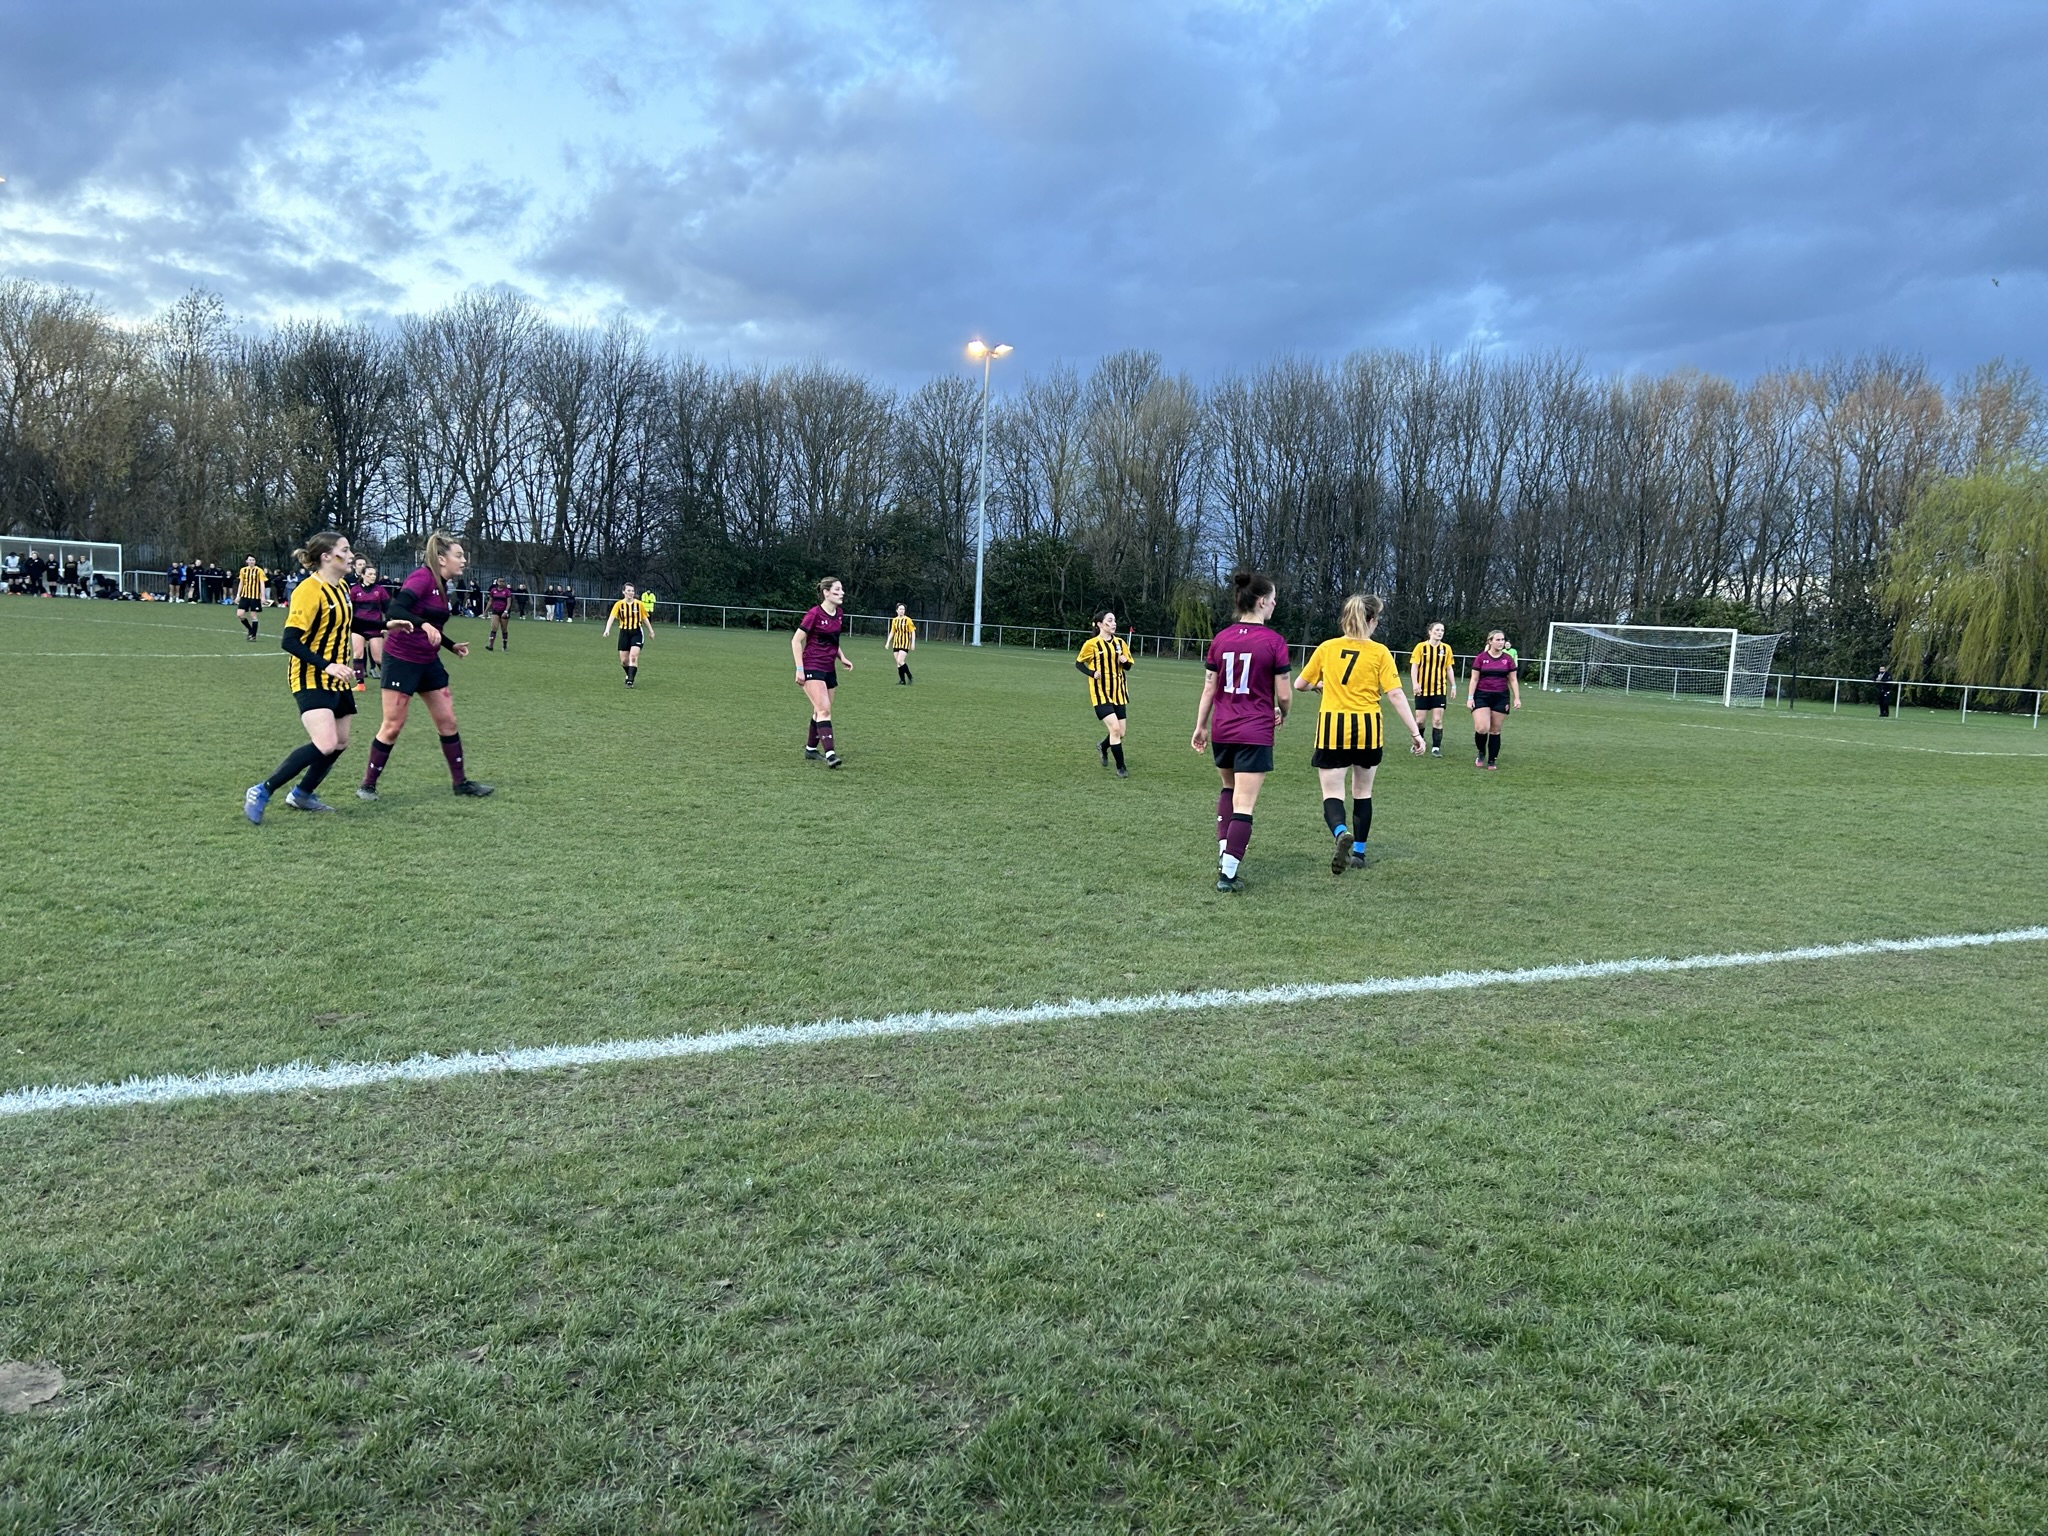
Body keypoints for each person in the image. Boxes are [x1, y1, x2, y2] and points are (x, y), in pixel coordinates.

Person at [357, 530, 493, 801]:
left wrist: (450, 644)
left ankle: (460, 783)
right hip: (401, 661)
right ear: (441, 559)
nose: (464, 560)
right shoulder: (422, 577)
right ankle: (367, 785)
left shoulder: (443, 586)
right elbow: (395, 611)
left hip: (428, 661)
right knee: (393, 725)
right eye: (459, 555)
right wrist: (424, 624)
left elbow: (430, 625)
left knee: (448, 722)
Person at [1297, 594, 1426, 874]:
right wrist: (1415, 732)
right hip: (1368, 728)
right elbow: (1395, 694)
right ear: (1372, 621)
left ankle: (1341, 832)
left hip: (1333, 726)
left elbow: (1299, 684)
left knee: (1332, 792)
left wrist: (1320, 685)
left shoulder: (1328, 648)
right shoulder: (1380, 652)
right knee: (1363, 793)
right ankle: (1359, 853)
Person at [243, 532, 359, 823]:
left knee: (341, 742)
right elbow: (290, 641)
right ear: (327, 557)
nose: (351, 555)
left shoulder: (342, 587)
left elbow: (346, 625)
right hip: (311, 675)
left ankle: (302, 794)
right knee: (325, 742)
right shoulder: (309, 591)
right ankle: (261, 790)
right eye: (345, 550)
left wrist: (386, 624)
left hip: (338, 677)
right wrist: (327, 665)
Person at [1192, 572, 1292, 892]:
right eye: (1273, 599)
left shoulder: (1221, 638)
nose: (1275, 604)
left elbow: (1209, 688)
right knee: (1244, 804)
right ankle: (1228, 875)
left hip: (1223, 728)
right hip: (1255, 730)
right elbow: (1285, 693)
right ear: (1261, 602)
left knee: (1227, 789)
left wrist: (1200, 726)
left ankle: (1225, 855)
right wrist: (1283, 711)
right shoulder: (1274, 641)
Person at [793, 576, 853, 767]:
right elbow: (795, 641)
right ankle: (830, 754)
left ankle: (811, 749)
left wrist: (842, 657)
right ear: (826, 593)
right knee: (824, 709)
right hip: (812, 665)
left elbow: (833, 641)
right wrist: (800, 669)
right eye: (836, 590)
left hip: (829, 668)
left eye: (842, 590)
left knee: (820, 709)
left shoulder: (840, 613)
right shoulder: (814, 613)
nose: (841, 593)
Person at [1076, 610, 1134, 776]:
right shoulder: (1091, 644)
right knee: (1115, 729)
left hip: (1119, 693)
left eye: (1115, 620)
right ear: (1100, 624)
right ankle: (1121, 768)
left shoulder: (1121, 643)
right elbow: (1079, 664)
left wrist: (1125, 661)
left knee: (1121, 733)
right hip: (1100, 694)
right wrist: (1092, 673)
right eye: (1110, 620)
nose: (1114, 623)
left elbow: (1128, 666)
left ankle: (1102, 746)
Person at [1467, 629, 1521, 770]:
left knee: (1495, 730)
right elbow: (1474, 679)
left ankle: (1492, 760)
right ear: (1490, 641)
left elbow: (1513, 680)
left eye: (1502, 639)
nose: (1501, 642)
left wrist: (1517, 698)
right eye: (1497, 639)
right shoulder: (1481, 658)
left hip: (1500, 697)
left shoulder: (1508, 659)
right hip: (1482, 695)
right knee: (1482, 727)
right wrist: (1470, 697)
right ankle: (1481, 752)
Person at [1408, 620, 1455, 757]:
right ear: (1430, 632)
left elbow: (1449, 668)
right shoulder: (1420, 647)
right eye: (1437, 630)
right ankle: (1418, 743)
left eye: (1442, 630)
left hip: (1439, 690)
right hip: (1422, 690)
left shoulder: (1446, 649)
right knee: (1420, 720)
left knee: (1437, 720)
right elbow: (1414, 666)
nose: (1440, 633)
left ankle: (1436, 748)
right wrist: (1415, 683)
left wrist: (1454, 685)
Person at [349, 564, 390, 688]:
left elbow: (388, 609)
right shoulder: (355, 590)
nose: (373, 576)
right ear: (362, 575)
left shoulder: (380, 590)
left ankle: (389, 681)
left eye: (374, 574)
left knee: (378, 658)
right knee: (357, 654)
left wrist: (385, 625)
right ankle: (360, 684)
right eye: (370, 574)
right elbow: (350, 608)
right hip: (358, 626)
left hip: (375, 626)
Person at [602, 582, 649, 686]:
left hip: (636, 632)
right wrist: (607, 630)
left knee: (633, 656)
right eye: (628, 591)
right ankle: (629, 674)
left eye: (632, 591)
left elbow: (644, 618)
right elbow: (612, 617)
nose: (631, 593)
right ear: (624, 592)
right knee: (624, 661)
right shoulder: (619, 604)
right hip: (624, 633)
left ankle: (630, 681)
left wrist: (651, 630)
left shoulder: (639, 604)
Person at [235, 556, 267, 640]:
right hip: (245, 596)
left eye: (253, 560)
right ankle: (250, 629)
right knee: (239, 614)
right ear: (246, 561)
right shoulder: (243, 570)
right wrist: (238, 595)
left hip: (255, 597)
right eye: (250, 560)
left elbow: (262, 584)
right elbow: (241, 583)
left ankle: (253, 636)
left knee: (253, 615)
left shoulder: (259, 570)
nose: (252, 561)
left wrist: (263, 597)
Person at [888, 604, 917, 683]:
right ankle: (902, 680)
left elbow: (913, 632)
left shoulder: (908, 620)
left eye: (903, 609)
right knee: (898, 663)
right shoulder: (894, 620)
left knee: (900, 661)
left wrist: (913, 643)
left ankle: (909, 675)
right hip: (896, 643)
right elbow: (892, 632)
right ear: (897, 610)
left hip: (905, 643)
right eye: (900, 609)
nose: (902, 611)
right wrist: (888, 642)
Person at [485, 577, 513, 651]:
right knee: (494, 628)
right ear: (497, 582)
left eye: (503, 581)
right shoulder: (493, 591)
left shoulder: (507, 591)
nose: (502, 583)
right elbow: (490, 601)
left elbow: (509, 603)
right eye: (500, 581)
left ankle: (504, 646)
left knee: (504, 629)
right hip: (495, 611)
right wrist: (485, 611)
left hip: (504, 612)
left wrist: (506, 611)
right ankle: (490, 646)